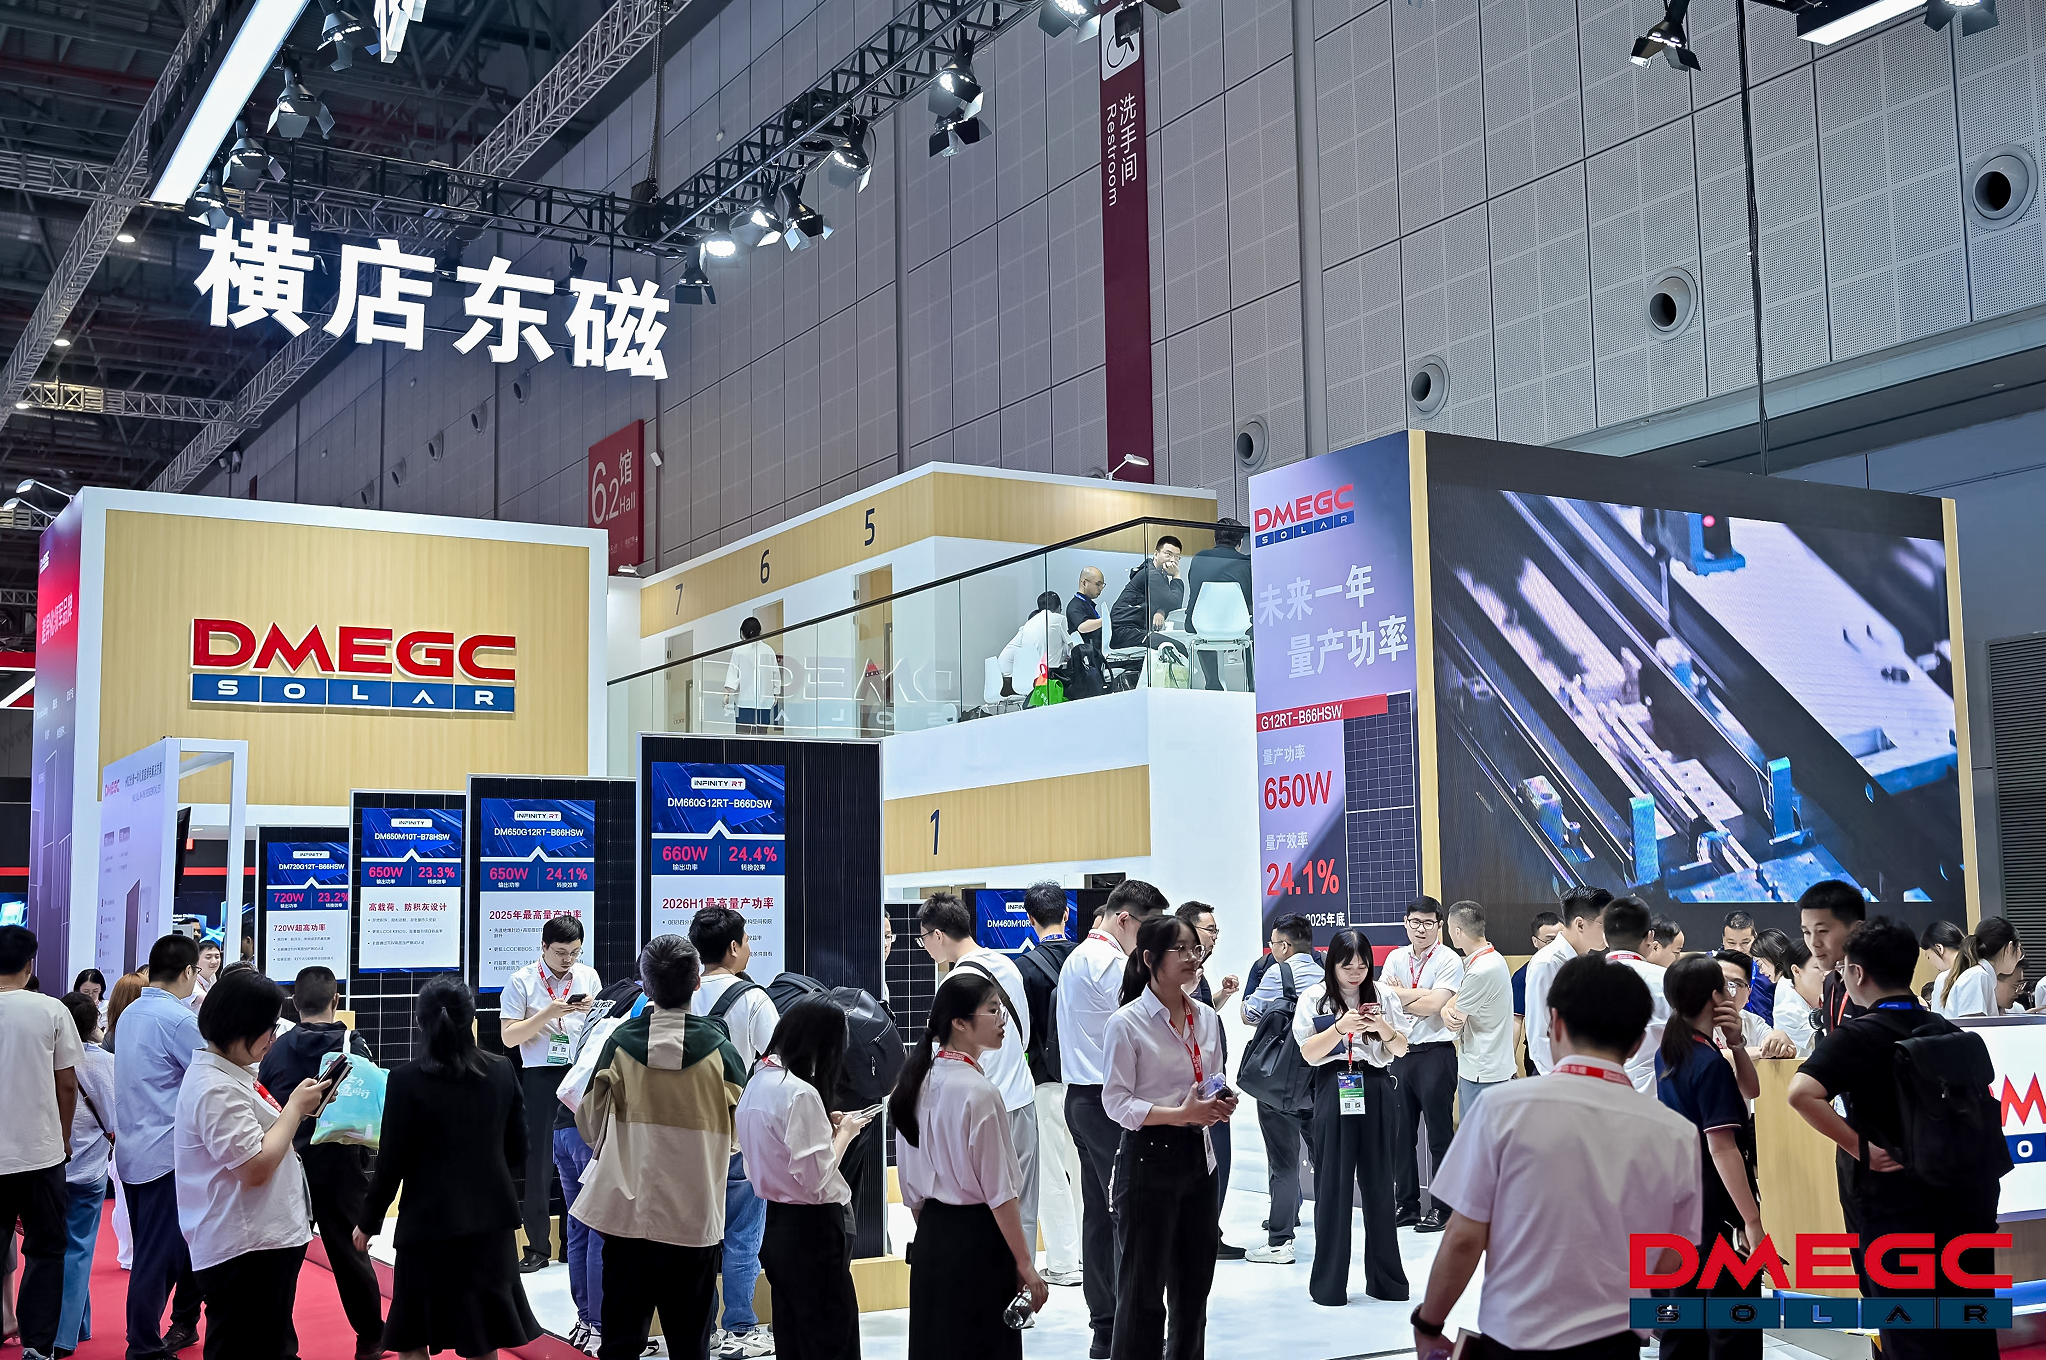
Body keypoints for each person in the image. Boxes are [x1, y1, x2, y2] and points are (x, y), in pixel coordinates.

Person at [1409, 954, 1702, 1360]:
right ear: (1638, 1042)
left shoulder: (1501, 1109)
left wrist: (1429, 1323)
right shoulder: (1676, 1133)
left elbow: (1463, 1238)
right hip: (1614, 1342)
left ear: (1555, 1024)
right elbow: (1673, 1257)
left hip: (1515, 1338)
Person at [1787, 918, 2003, 1360]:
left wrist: (1859, 1148)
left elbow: (1801, 1093)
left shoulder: (1857, 1035)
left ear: (1857, 973)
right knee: (1970, 1329)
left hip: (1895, 1209)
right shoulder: (1945, 1029)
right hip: (1963, 1204)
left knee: (1908, 1333)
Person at [572, 936, 744, 1360]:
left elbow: (589, 1121)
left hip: (627, 1214)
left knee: (621, 1342)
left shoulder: (619, 1044)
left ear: (645, 986)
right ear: (696, 982)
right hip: (695, 1214)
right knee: (691, 1344)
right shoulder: (722, 1052)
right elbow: (741, 1134)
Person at [354, 975, 541, 1360]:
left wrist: (368, 1221)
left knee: (412, 1335)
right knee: (482, 1337)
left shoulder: (405, 1080)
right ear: (471, 1019)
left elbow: (391, 1162)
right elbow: (518, 1149)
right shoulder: (502, 1071)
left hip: (426, 1225)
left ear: (420, 1021)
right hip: (489, 1221)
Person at [175, 967, 331, 1360]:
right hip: (244, 1248)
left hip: (259, 1243)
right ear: (240, 1027)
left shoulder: (231, 1073)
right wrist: (294, 1109)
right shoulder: (215, 1088)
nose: (273, 1039)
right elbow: (255, 1168)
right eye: (268, 1029)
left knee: (271, 1344)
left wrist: (296, 1109)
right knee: (245, 1346)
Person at [893, 970, 1047, 1360]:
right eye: (992, 1010)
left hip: (932, 1237)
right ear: (960, 1023)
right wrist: (1025, 1264)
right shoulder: (979, 1093)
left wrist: (938, 1236)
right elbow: (1000, 1194)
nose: (1002, 1019)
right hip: (979, 1240)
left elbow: (911, 1190)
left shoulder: (914, 1084)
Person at [1102, 915, 1235, 1357]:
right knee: (1142, 1295)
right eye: (1181, 949)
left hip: (1200, 1159)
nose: (1193, 958)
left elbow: (1210, 1077)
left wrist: (1219, 1101)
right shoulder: (1127, 1023)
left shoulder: (1207, 1017)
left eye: (1196, 949)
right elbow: (1116, 1102)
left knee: (1194, 1292)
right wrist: (1180, 1114)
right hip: (1148, 1160)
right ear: (1150, 958)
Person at [1055, 878, 1170, 1359]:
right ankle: (1130, 1327)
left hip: (1083, 1099)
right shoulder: (1110, 964)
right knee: (1130, 1215)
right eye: (1150, 927)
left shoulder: (1078, 957)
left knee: (1101, 1216)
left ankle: (1106, 1327)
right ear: (1124, 919)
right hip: (1111, 1105)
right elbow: (1141, 1029)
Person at [736, 998, 875, 1360]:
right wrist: (845, 1134)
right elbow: (817, 1178)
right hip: (814, 1230)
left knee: (793, 1333)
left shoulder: (757, 1082)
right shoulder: (800, 1092)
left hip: (777, 1222)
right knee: (832, 1336)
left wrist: (824, 1125)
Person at [256, 966, 383, 1360]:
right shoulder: (354, 1047)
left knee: (282, 1259)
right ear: (336, 1000)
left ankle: (280, 1345)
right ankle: (371, 1338)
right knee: (350, 1253)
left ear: (293, 1002)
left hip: (288, 1163)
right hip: (341, 1166)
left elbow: (263, 1100)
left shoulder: (277, 1048)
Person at [919, 893, 1040, 1292]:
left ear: (938, 935)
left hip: (978, 1108)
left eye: (923, 939)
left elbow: (944, 1054)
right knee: (1021, 1203)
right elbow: (1023, 1033)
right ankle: (1022, 1293)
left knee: (984, 1205)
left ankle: (993, 1292)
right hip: (1020, 1099)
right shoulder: (1008, 965)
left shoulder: (954, 984)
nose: (925, 947)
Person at [1655, 955, 1764, 1360]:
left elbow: (1751, 1090)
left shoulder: (1674, 1050)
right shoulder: (1706, 1063)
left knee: (1685, 1323)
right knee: (1733, 1324)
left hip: (1683, 1202)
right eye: (1727, 987)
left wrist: (1736, 1043)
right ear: (1715, 998)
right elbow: (1722, 1148)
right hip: (1718, 1205)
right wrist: (1752, 1222)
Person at [1295, 928, 1411, 1306]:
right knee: (1333, 1186)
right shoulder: (1314, 998)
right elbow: (1308, 1053)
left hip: (1376, 1086)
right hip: (1334, 1085)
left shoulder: (1383, 995)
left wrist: (1382, 1027)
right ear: (1332, 964)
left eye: (1362, 966)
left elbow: (1401, 1048)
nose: (1355, 973)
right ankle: (1329, 1285)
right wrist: (1339, 1028)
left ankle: (1386, 1282)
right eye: (1347, 966)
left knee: (1380, 1186)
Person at [689, 906, 780, 1360]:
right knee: (743, 1233)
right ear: (732, 947)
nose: (749, 949)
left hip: (687, 1136)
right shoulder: (754, 999)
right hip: (738, 1132)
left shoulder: (679, 993)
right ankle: (740, 1327)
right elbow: (778, 1062)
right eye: (746, 941)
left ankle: (700, 1329)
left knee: (697, 1238)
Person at [116, 933, 207, 1360]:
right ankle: (144, 1346)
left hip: (134, 1150)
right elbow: (210, 1074)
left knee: (163, 1252)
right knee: (157, 1258)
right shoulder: (179, 1020)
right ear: (189, 971)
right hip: (165, 1156)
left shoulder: (130, 1013)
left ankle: (170, 1329)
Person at [498, 913, 601, 1273]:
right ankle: (537, 1248)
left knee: (585, 1157)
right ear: (543, 947)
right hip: (540, 1076)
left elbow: (599, 1029)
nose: (567, 959)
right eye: (560, 952)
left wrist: (591, 1011)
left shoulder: (588, 976)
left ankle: (577, 1245)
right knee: (539, 1162)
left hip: (580, 1072)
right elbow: (509, 1037)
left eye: (574, 952)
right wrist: (547, 1013)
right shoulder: (522, 980)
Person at [0, 926, 82, 1360]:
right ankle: (37, 1346)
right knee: (46, 1251)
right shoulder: (51, 1010)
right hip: (41, 1155)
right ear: (30, 964)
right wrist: (63, 1138)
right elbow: (66, 1084)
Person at [1239, 912, 1322, 1265]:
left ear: (1284, 946)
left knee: (1283, 1163)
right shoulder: (1326, 973)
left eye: (1273, 943)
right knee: (1324, 1159)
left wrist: (1249, 995)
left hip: (1279, 1079)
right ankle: (1331, 1232)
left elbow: (1249, 1015)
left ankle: (1280, 1242)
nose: (1271, 949)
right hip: (1319, 1079)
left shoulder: (1277, 973)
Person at [1380, 896, 1464, 1232]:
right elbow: (1383, 1001)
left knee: (1439, 1135)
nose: (1421, 929)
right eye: (1415, 922)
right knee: (1401, 1135)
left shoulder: (1448, 959)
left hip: (1436, 1054)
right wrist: (1421, 994)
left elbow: (1436, 1005)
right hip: (1400, 1054)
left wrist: (1403, 996)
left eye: (1428, 923)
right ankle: (1407, 1205)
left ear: (1439, 926)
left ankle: (1443, 1208)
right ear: (1406, 923)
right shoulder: (1395, 957)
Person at [1015, 882, 1083, 1286]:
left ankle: (1063, 1263)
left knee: (1051, 1173)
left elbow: (1021, 1032)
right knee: (1086, 1171)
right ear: (1066, 913)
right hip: (1089, 1082)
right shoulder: (1086, 959)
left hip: (1044, 1081)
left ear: (1029, 919)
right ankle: (1092, 1254)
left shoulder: (1024, 968)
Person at [1173, 901, 1241, 1259]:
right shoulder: (1177, 970)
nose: (1215, 936)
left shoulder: (1197, 969)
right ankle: (1200, 1234)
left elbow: (1203, 1012)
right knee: (1211, 1157)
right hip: (1193, 1085)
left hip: (1212, 1078)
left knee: (1218, 1159)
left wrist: (1223, 995)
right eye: (1210, 929)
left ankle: (1207, 1231)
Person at [56, 991, 114, 1356]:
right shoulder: (106, 1063)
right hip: (91, 1170)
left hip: (51, 1168)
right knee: (78, 1249)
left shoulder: (47, 1057)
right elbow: (115, 1119)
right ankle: (64, 1336)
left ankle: (80, 1325)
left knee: (62, 1248)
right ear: (94, 1024)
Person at [1523, 887, 1608, 1075]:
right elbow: (1539, 1036)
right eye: (1605, 923)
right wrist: (1563, 1079)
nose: (1610, 930)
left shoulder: (1589, 961)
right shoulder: (1547, 963)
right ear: (1580, 924)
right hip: (1561, 1076)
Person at [1441, 903, 1512, 1116]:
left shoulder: (1481, 970)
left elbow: (1455, 1021)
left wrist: (1444, 1009)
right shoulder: (1491, 958)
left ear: (1457, 931)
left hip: (1482, 1072)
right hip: (1487, 1067)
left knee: (1476, 1134)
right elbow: (1457, 1000)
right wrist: (1447, 1007)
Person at [1598, 895, 1668, 1092]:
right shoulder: (1666, 980)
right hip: (1654, 1096)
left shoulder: (1581, 978)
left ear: (1604, 937)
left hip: (1597, 1095)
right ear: (1650, 937)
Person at [1183, 518, 1253, 689]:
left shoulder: (1198, 558)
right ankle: (1253, 684)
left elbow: (1195, 592)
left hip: (1200, 624)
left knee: (1205, 630)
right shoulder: (1246, 563)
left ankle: (1212, 681)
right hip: (1237, 626)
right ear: (1240, 542)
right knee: (1257, 631)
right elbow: (1249, 602)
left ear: (1215, 539)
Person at [1801, 879, 1866, 1042]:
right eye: (1807, 932)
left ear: (1857, 930)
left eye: (1822, 931)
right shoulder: (1830, 981)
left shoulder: (1877, 983)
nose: (1814, 943)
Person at [1108, 538, 1189, 660]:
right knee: (1177, 648)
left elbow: (1164, 601)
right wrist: (1176, 576)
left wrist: (1161, 611)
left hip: (1131, 631)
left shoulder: (1157, 575)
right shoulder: (1151, 574)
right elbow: (1174, 603)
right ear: (1156, 554)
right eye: (1168, 554)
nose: (1173, 560)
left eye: (1177, 557)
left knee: (1171, 649)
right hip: (1125, 632)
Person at [1935, 915, 2023, 1018]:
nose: (2020, 956)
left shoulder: (1979, 975)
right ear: (2009, 947)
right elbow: (1973, 1025)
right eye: (2019, 948)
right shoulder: (1978, 976)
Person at [1714, 952, 1796, 1060]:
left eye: (1737, 984)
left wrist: (1780, 1040)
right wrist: (1759, 1052)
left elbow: (1786, 1049)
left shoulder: (1754, 1023)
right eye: (1721, 982)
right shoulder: (1695, 1020)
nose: (1729, 990)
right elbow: (1704, 1058)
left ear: (1748, 993)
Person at [998, 591, 1076, 699]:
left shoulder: (1028, 623)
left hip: (1022, 676)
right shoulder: (1059, 619)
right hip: (1044, 676)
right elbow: (1072, 648)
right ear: (1058, 608)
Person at [1511, 911, 1561, 1073]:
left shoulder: (1577, 968)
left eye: (1561, 939)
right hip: (1538, 1055)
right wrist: (1510, 1059)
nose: (1556, 945)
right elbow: (1516, 1020)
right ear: (1535, 941)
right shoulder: (1522, 976)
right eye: (1550, 941)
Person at [724, 617, 782, 730]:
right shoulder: (768, 650)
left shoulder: (739, 650)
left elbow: (733, 673)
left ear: (743, 633)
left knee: (743, 734)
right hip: (765, 702)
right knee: (762, 734)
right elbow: (775, 675)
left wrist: (727, 693)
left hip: (744, 701)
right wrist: (776, 693)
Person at [1771, 937, 1824, 1057]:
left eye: (1827, 966)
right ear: (1796, 971)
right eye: (1818, 967)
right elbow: (1825, 1041)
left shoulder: (1828, 1000)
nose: (1826, 972)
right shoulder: (1786, 1013)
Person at [1065, 567, 1110, 698]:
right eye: (1098, 584)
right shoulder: (1075, 605)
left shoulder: (1087, 604)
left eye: (1102, 585)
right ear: (1084, 582)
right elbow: (1083, 626)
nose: (1100, 589)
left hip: (1094, 660)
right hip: (1085, 665)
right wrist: (1106, 621)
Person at [1745, 928, 1791, 1024]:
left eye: (1760, 964)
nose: (1761, 971)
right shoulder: (1795, 981)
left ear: (1772, 955)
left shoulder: (1784, 984)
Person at [1918, 920, 1965, 1003]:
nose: (1931, 963)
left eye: (1928, 956)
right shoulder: (1980, 969)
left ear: (1939, 948)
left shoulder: (1943, 980)